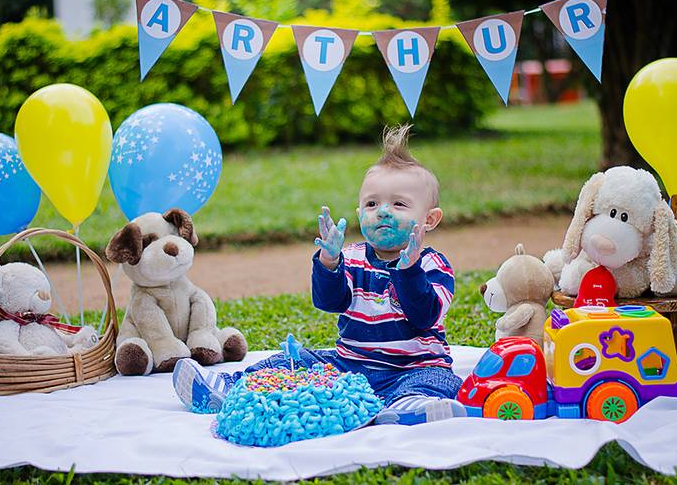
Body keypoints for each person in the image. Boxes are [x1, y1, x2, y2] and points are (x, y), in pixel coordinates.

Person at [173, 124, 466, 424]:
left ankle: (411, 405)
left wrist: (408, 270)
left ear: (430, 219)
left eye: (399, 204)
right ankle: (229, 388)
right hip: (350, 365)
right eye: (371, 204)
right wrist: (329, 262)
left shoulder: (433, 265)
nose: (382, 211)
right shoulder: (351, 257)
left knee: (439, 380)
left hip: (414, 367)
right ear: (359, 213)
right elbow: (329, 302)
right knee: (295, 361)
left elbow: (424, 317)